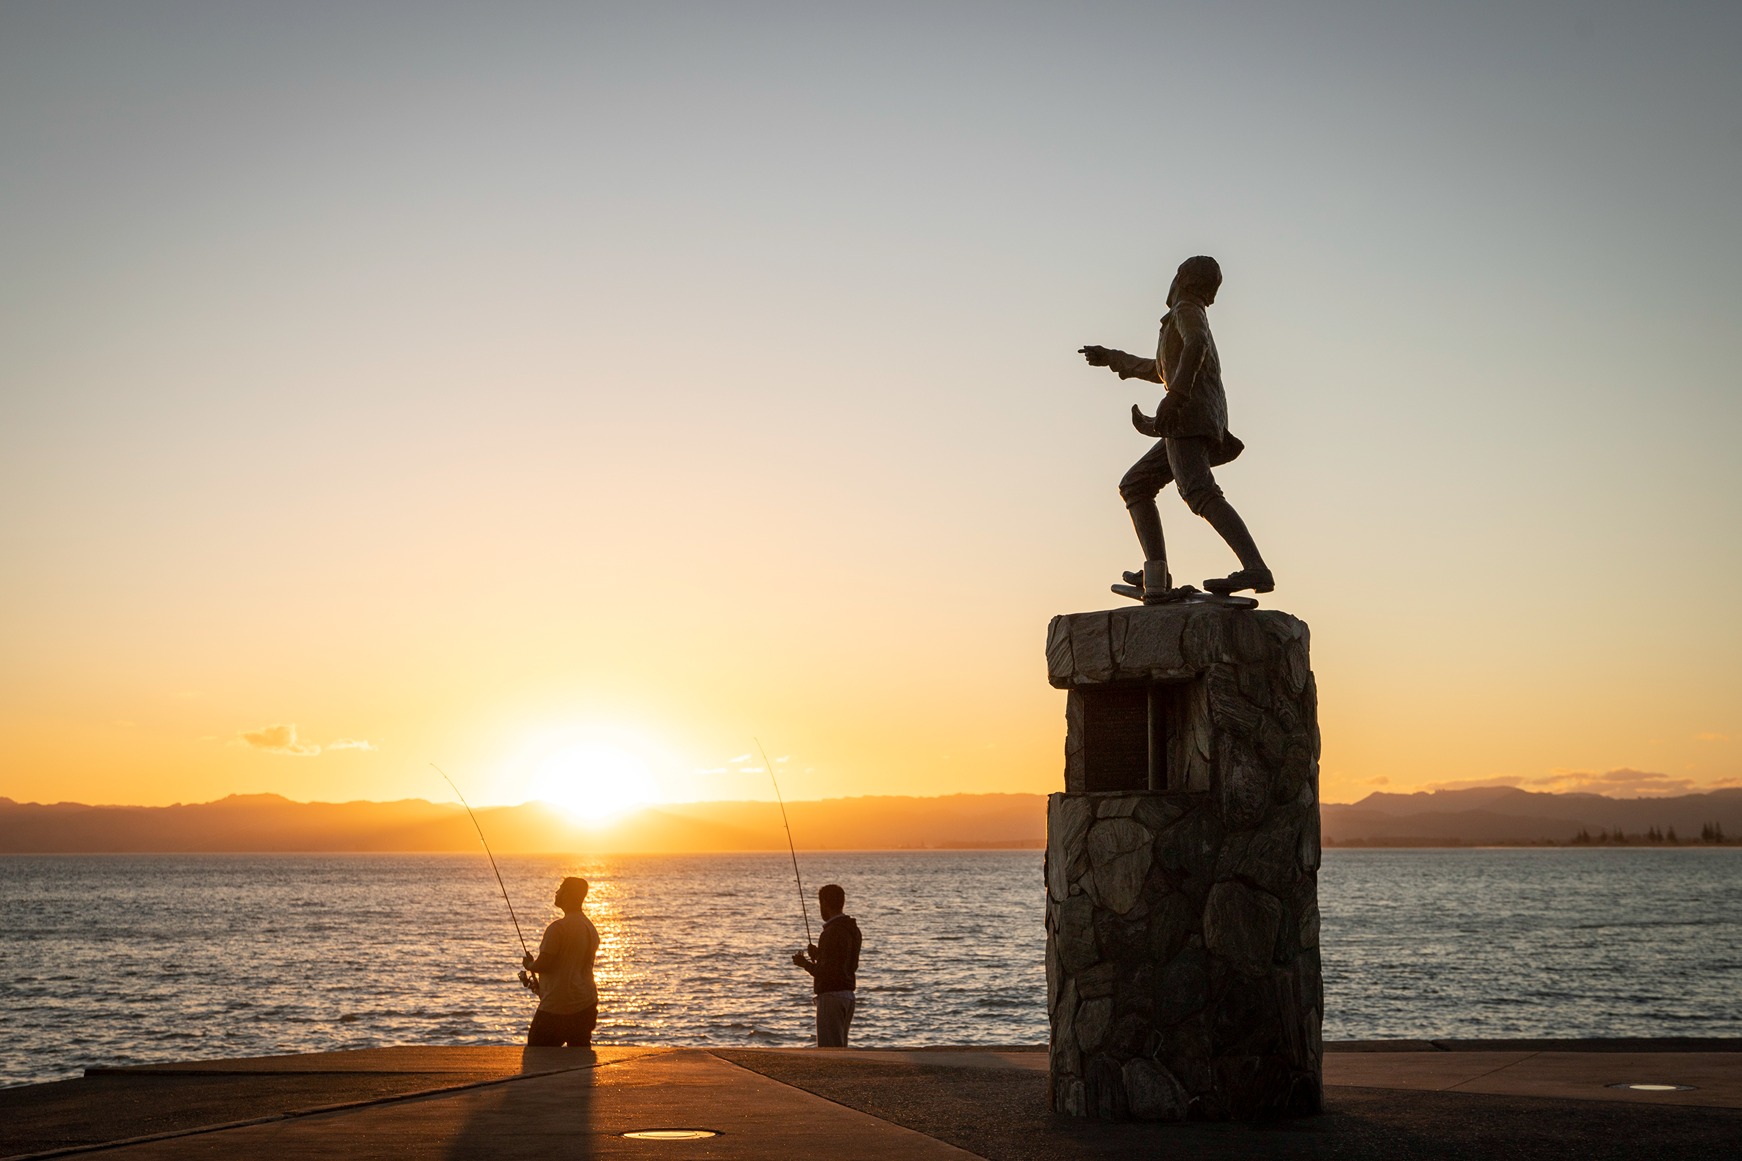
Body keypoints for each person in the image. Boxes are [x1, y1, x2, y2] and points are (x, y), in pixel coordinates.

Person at [1079, 254, 1273, 598]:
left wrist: (1175, 398)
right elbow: (1161, 368)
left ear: (1182, 278)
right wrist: (1112, 358)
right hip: (1191, 417)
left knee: (1199, 491)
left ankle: (1255, 568)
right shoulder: (1182, 317)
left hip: (1190, 417)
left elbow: (1195, 346)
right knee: (1136, 485)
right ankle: (1156, 575)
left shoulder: (1186, 310)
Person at [523, 876, 599, 1048]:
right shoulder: (589, 927)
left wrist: (529, 965)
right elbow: (568, 966)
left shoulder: (558, 929)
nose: (556, 892)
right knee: (579, 1060)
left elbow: (544, 964)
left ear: (568, 894)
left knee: (537, 1055)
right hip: (586, 1003)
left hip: (557, 1008)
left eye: (560, 888)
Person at [790, 883, 861, 1047]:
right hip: (848, 996)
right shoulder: (853, 929)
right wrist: (818, 954)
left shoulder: (830, 932)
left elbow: (826, 972)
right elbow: (845, 963)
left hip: (831, 997)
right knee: (841, 1047)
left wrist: (804, 964)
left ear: (825, 904)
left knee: (830, 1050)